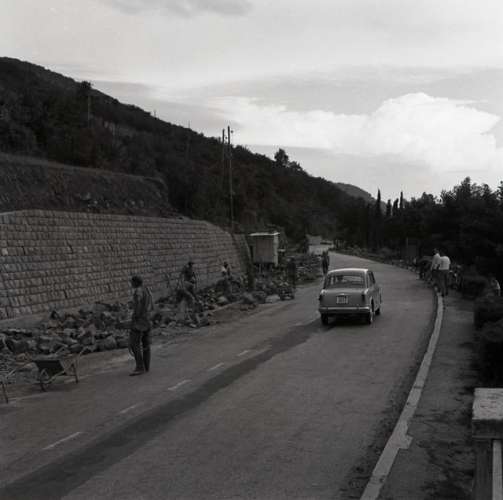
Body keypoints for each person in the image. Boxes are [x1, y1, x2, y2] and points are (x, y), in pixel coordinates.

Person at [129, 275, 153, 376]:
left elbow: (138, 305)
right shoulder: (147, 289)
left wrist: (135, 316)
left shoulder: (138, 291)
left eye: (131, 282)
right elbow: (152, 305)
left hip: (140, 321)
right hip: (147, 319)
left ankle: (140, 367)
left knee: (134, 344)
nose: (131, 284)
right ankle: (146, 366)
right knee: (146, 343)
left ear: (135, 282)